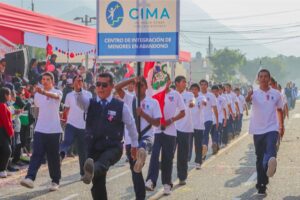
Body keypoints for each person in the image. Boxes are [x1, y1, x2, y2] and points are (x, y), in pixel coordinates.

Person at [75, 73, 139, 200]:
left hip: (113, 147)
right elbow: (80, 102)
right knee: (98, 185)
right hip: (93, 148)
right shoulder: (90, 103)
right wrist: (78, 90)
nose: (100, 88)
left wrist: (134, 145)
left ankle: (91, 170)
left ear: (112, 86)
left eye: (104, 85)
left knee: (102, 163)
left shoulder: (121, 106)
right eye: (98, 84)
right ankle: (92, 172)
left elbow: (131, 125)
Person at [115, 76, 162, 200]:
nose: (138, 88)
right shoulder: (129, 99)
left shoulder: (153, 102)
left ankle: (142, 152)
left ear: (146, 87)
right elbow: (117, 87)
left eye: (141, 85)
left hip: (146, 135)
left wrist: (143, 114)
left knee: (143, 145)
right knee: (135, 170)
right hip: (131, 139)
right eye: (136, 86)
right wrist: (131, 80)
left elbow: (157, 123)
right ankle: (140, 197)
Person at [20, 72, 63, 191]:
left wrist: (43, 92)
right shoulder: (37, 95)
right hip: (40, 129)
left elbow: (55, 97)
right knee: (36, 154)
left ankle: (55, 181)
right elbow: (39, 108)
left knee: (53, 157)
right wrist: (39, 93)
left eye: (48, 79)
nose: (45, 81)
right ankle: (30, 178)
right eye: (43, 79)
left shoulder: (58, 92)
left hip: (54, 130)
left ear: (52, 81)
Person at [246, 69, 284, 196]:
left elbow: (280, 110)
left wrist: (281, 126)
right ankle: (262, 184)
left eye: (265, 76)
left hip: (272, 128)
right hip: (257, 129)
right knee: (260, 158)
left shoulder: (276, 94)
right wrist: (247, 97)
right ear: (258, 79)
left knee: (271, 150)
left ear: (269, 78)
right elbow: (246, 102)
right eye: (261, 76)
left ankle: (269, 163)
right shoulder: (254, 93)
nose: (263, 78)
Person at [145, 75, 185, 195]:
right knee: (154, 155)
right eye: (159, 80)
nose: (162, 82)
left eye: (164, 80)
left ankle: (167, 184)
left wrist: (170, 120)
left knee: (167, 158)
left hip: (170, 132)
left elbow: (183, 112)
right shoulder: (155, 95)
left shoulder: (175, 95)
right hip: (157, 131)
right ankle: (151, 180)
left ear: (169, 81)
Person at [59, 75, 92, 178]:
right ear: (73, 83)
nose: (79, 83)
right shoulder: (69, 95)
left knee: (82, 151)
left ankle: (83, 173)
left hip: (83, 126)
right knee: (67, 141)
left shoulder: (88, 94)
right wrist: (64, 119)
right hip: (71, 124)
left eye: (81, 81)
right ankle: (60, 155)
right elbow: (66, 109)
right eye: (77, 81)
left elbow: (89, 109)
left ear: (83, 83)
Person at [174, 76, 194, 185]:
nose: (185, 83)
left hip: (186, 128)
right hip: (173, 128)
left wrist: (193, 104)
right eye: (183, 82)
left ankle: (182, 176)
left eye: (186, 81)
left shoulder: (189, 94)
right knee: (169, 152)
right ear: (177, 83)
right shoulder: (172, 95)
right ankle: (163, 168)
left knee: (183, 154)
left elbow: (193, 101)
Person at [199, 79, 218, 160]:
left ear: (207, 85)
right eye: (201, 84)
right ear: (200, 86)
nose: (203, 86)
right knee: (200, 136)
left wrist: (217, 120)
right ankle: (202, 149)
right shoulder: (197, 95)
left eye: (204, 84)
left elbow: (215, 108)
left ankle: (203, 151)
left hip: (208, 119)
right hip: (199, 120)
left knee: (205, 135)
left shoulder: (211, 95)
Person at [189, 83, 206, 169]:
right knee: (188, 145)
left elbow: (204, 102)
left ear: (198, 90)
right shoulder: (188, 98)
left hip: (199, 126)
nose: (193, 91)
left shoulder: (201, 97)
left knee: (198, 145)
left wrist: (204, 103)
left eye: (195, 89)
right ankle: (187, 160)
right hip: (189, 126)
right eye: (192, 89)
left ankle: (198, 162)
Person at [0, 87, 14, 178]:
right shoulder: (2, 105)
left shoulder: (4, 104)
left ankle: (4, 168)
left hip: (3, 130)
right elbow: (6, 121)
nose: (10, 96)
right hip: (2, 130)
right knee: (7, 150)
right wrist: (11, 131)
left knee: (4, 150)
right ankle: (2, 170)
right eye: (9, 94)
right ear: (5, 95)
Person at [211, 85, 227, 154]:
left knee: (217, 132)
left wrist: (225, 119)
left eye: (216, 91)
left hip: (219, 119)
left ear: (218, 91)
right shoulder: (209, 98)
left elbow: (224, 109)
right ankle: (216, 144)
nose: (214, 93)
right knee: (212, 133)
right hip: (211, 119)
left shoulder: (222, 99)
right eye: (213, 91)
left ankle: (215, 143)